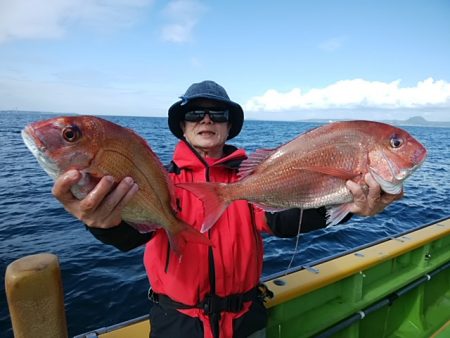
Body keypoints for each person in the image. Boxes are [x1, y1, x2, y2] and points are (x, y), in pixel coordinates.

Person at [52, 80, 402, 338]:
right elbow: (131, 235)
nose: (206, 120)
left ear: (229, 125)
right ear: (183, 126)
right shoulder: (162, 182)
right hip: (177, 325)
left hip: (247, 319)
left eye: (217, 113)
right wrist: (101, 224)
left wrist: (351, 205)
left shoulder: (248, 180)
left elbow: (282, 220)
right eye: (194, 114)